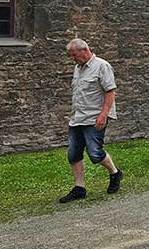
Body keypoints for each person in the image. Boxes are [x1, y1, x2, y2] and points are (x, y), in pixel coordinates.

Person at [60, 38, 123, 203]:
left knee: (95, 153)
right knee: (73, 154)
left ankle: (115, 173)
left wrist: (104, 114)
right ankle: (79, 188)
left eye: (74, 55)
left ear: (84, 50)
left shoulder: (102, 66)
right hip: (77, 118)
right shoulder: (77, 68)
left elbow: (110, 91)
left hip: (94, 117)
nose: (73, 59)